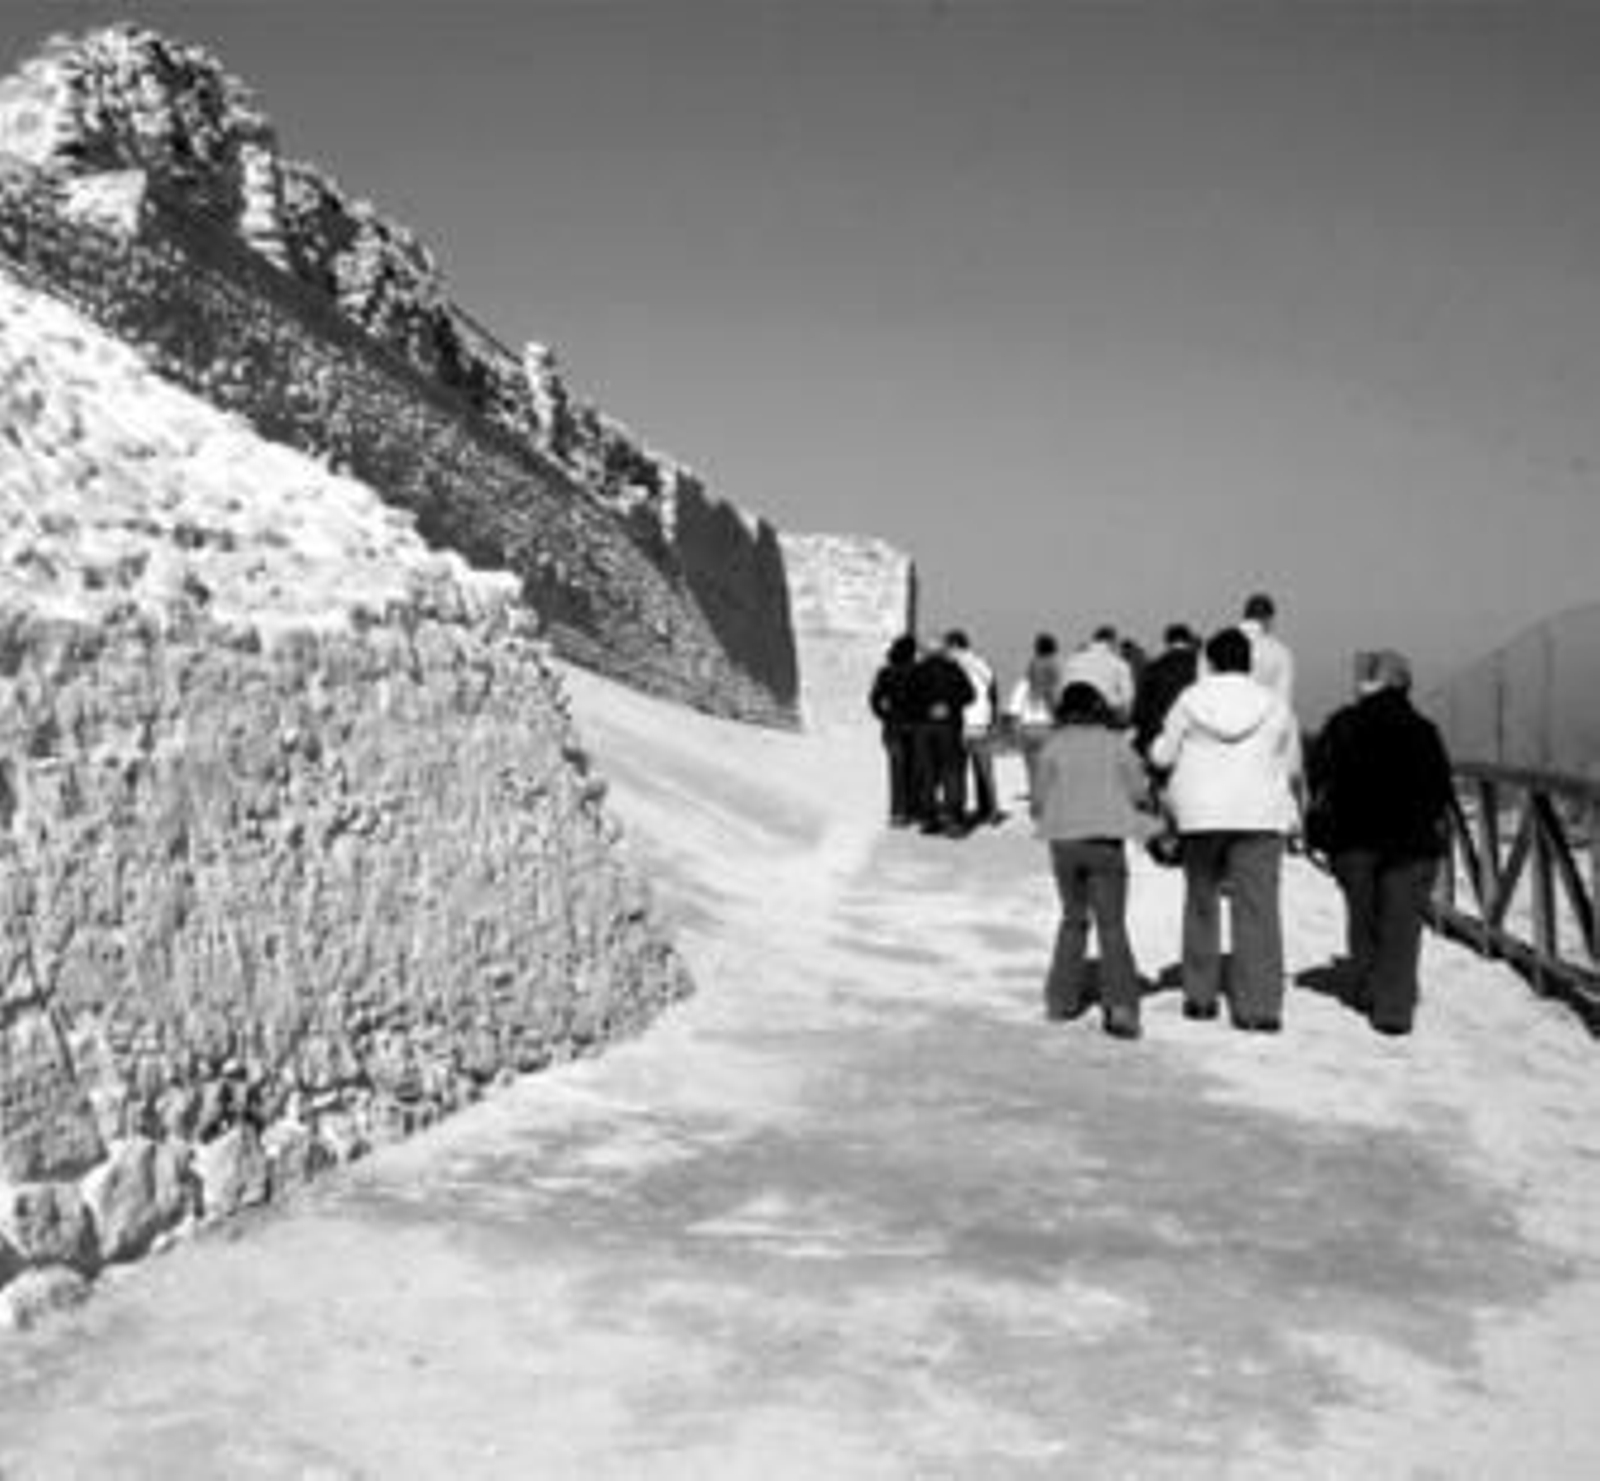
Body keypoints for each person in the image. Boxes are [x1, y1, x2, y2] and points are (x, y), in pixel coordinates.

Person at [1148, 627, 1302, 1032]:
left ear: (1210, 661)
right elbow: (1291, 765)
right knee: (1258, 909)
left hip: (1200, 815)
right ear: (1249, 663)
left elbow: (1163, 756)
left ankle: (1200, 996)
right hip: (1259, 814)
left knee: (1201, 902)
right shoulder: (1273, 704)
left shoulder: (1190, 699)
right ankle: (1259, 1008)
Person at [1305, 649, 1454, 1036]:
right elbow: (1441, 790)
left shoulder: (1342, 724)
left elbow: (1319, 775)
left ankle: (1369, 983)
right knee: (1402, 923)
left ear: (1370, 684)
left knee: (1364, 915)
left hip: (1352, 839)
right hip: (1411, 841)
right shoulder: (1424, 730)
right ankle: (1394, 1007)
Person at [1032, 683, 1160, 1039]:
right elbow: (1138, 792)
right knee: (1111, 925)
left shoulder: (1053, 745)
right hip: (1105, 842)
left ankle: (1060, 1000)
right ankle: (1120, 1007)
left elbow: (1039, 801)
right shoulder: (1115, 744)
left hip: (1063, 842)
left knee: (1073, 918)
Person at [908, 635, 976, 835]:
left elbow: (908, 698)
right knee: (951, 772)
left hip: (923, 727)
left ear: (927, 651)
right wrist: (948, 706)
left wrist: (926, 708)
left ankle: (929, 820)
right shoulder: (954, 669)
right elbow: (969, 695)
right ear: (942, 651)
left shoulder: (917, 670)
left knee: (926, 773)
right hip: (949, 726)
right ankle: (953, 819)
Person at [945, 629, 1002, 826]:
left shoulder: (953, 664)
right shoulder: (982, 663)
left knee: (957, 771)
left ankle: (957, 812)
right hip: (982, 722)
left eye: (947, 646)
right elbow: (994, 693)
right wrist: (993, 719)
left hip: (961, 723)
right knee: (985, 771)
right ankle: (991, 811)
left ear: (954, 645)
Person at [868, 634, 923, 828]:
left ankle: (898, 814)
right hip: (915, 728)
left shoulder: (885, 672)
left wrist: (884, 716)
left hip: (892, 728)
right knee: (915, 770)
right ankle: (914, 811)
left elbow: (874, 700)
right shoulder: (919, 671)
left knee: (897, 771)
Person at [1005, 633, 1066, 804]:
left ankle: (1036, 799)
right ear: (1054, 650)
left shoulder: (1026, 679)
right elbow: (1059, 704)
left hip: (1028, 728)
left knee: (1032, 767)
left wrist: (1014, 730)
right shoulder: (1055, 678)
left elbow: (1014, 708)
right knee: (1051, 766)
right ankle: (1050, 799)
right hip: (1048, 727)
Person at [1131, 622, 1201, 758]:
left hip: (1159, 740)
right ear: (1189, 640)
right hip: (1194, 739)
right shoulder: (1201, 667)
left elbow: (1139, 712)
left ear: (1166, 642)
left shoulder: (1153, 668)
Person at [1062, 625, 1136, 723]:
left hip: (1069, 702)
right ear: (1112, 642)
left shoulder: (1073, 658)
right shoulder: (1118, 663)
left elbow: (1063, 684)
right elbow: (1128, 696)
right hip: (1096, 706)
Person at [1239, 592, 1296, 707]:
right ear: (1269, 619)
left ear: (1245, 616)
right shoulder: (1281, 652)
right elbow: (1283, 699)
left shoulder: (1216, 645)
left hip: (1220, 720)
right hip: (1262, 720)